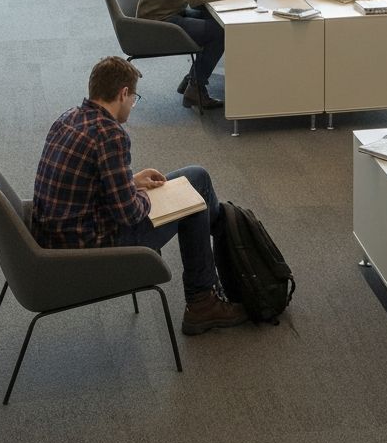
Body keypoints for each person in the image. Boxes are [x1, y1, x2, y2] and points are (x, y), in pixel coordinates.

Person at [31, 56, 247, 336]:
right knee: (195, 194)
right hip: (92, 248)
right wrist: (143, 195)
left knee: (195, 181)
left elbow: (87, 183)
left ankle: (215, 238)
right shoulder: (110, 135)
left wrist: (130, 182)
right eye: (134, 98)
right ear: (123, 94)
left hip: (58, 235)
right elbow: (129, 213)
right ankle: (203, 298)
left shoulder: (68, 118)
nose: (133, 105)